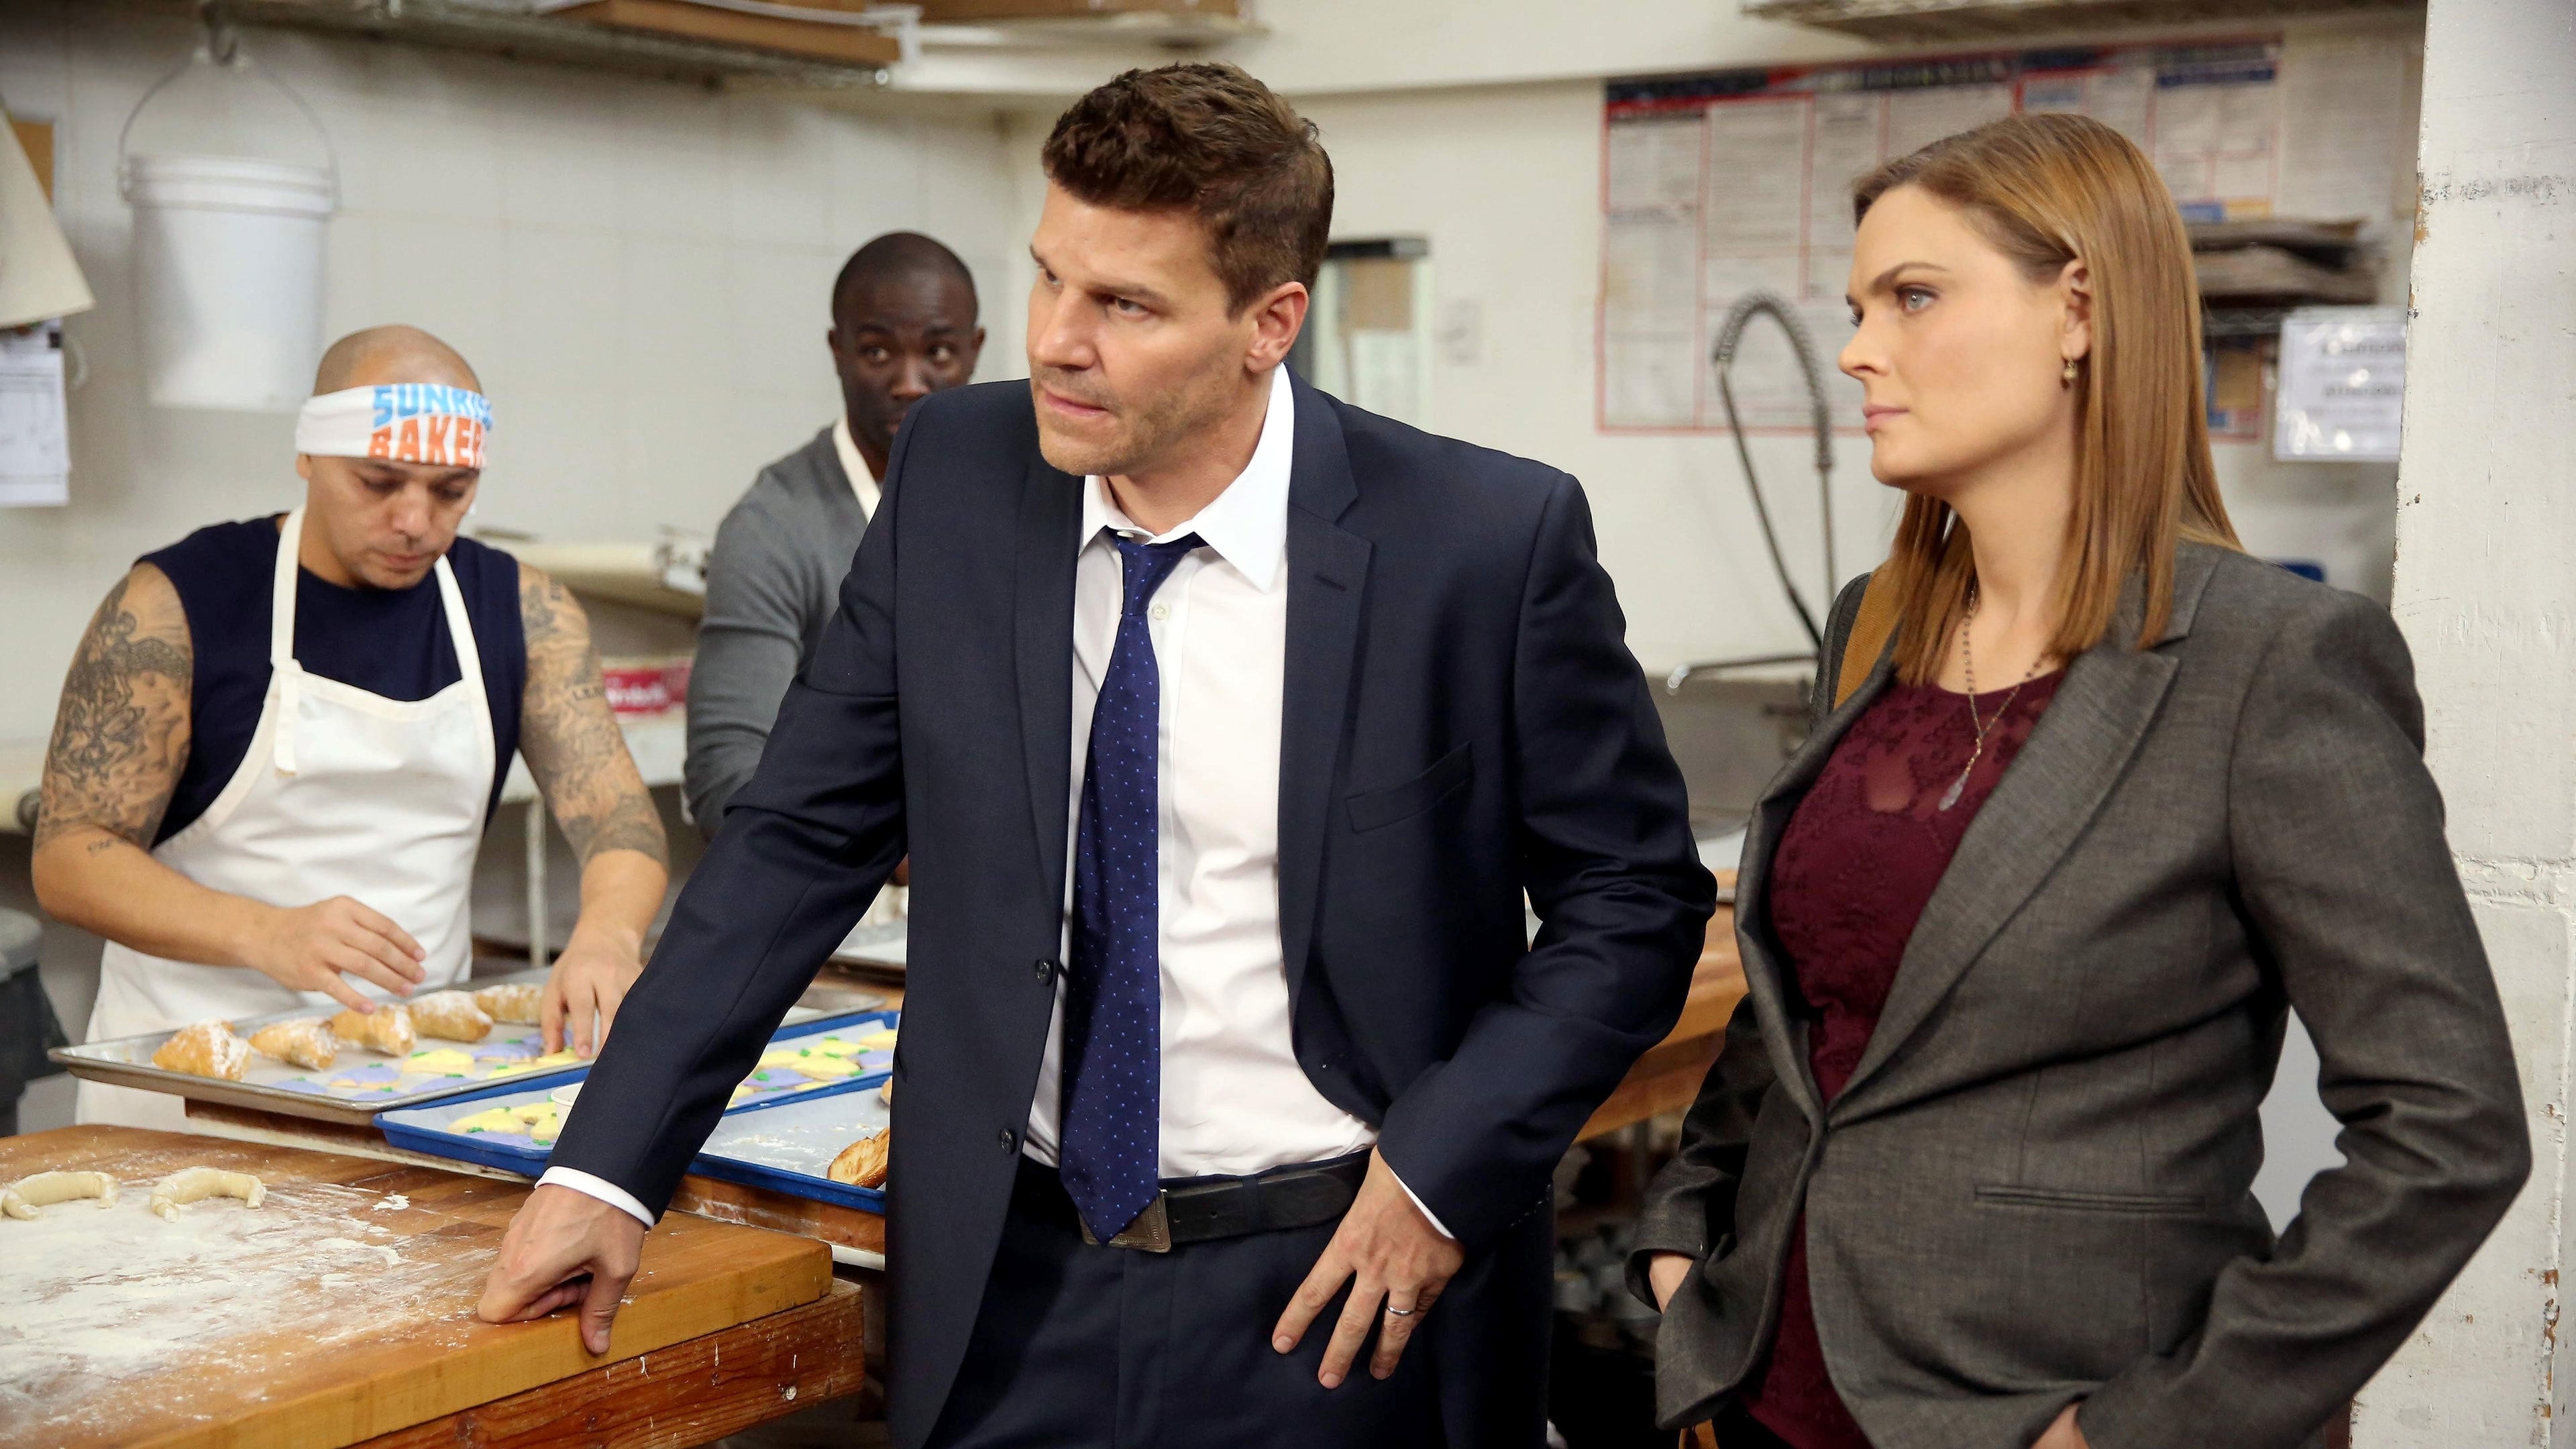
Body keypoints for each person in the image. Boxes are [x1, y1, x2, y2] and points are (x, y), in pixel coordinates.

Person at [478, 62, 1715, 1448]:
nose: (1058, 341)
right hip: (1010, 1285)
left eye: (1127, 305)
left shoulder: (1479, 541)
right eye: (1051, 277)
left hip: (1343, 1294)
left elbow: (1634, 901)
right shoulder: (959, 475)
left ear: (1269, 323)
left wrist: (1443, 1175)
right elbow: (799, 841)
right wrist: (610, 1165)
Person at [1633, 113, 2527, 1449]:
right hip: (1771, 1383)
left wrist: (2147, 1431)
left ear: (2080, 311)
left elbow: (2450, 1128)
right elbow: (1809, 1004)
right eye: (1858, 308)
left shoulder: (2272, 661)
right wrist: (1684, 1236)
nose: (1858, 350)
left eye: (1913, 297)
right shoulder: (1875, 624)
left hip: (2040, 1405)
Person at [35, 326, 671, 1128]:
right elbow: (69, 856)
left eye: (452, 491)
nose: (415, 521)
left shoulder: (522, 612)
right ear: (310, 456)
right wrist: (263, 932)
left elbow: (619, 820)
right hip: (188, 1071)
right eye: (379, 482)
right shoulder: (175, 605)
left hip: (415, 1078)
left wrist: (607, 935)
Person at [686, 231, 985, 837]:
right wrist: (897, 851)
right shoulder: (773, 528)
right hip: (853, 883)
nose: (910, 381)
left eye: (938, 352)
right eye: (877, 352)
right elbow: (726, 777)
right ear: (837, 351)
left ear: (975, 350)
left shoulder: (1017, 495)